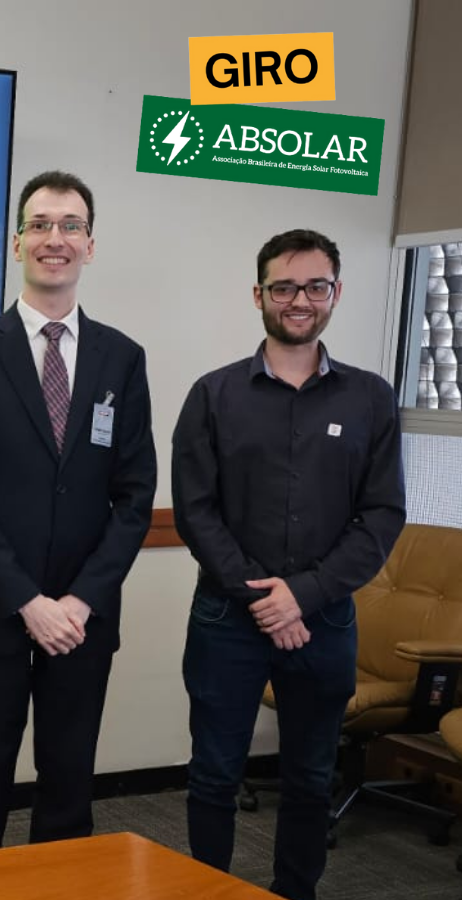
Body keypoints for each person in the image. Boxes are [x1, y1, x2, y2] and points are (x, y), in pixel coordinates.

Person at [173, 229, 404, 900]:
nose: (299, 300)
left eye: (314, 286)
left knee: (309, 778)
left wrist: (302, 595)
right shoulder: (213, 394)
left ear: (336, 292)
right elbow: (196, 511)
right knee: (214, 774)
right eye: (283, 287)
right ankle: (209, 893)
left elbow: (382, 514)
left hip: (323, 622)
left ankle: (295, 892)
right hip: (226, 620)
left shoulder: (371, 398)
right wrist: (264, 599)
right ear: (259, 295)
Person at [0, 170, 156, 852]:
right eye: (39, 224)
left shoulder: (123, 358)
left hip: (85, 621)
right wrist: (28, 602)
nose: (54, 238)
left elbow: (135, 495)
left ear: (90, 244)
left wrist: (80, 602)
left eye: (70, 225)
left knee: (68, 786)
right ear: (16, 243)